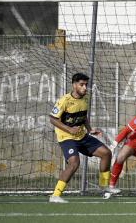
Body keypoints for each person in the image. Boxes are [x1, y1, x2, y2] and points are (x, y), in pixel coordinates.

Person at [49, 72, 114, 203]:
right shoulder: (64, 101)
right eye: (82, 85)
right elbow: (53, 119)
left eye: (86, 85)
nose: (85, 87)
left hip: (81, 136)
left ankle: (104, 187)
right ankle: (55, 196)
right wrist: (69, 129)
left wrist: (90, 130)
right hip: (66, 137)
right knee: (74, 163)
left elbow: (83, 116)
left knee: (106, 153)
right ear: (74, 85)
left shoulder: (85, 99)